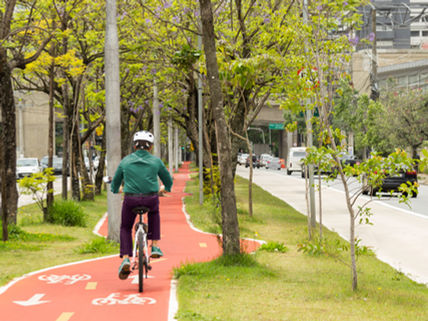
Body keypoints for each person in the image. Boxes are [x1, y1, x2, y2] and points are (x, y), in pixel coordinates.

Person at [110, 130, 173, 280]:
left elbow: (115, 184)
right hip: (150, 198)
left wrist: (117, 189)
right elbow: (168, 180)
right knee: (154, 213)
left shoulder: (125, 161)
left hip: (130, 199)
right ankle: (155, 245)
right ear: (150, 147)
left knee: (125, 227)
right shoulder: (156, 162)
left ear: (134, 146)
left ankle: (125, 258)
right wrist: (165, 188)